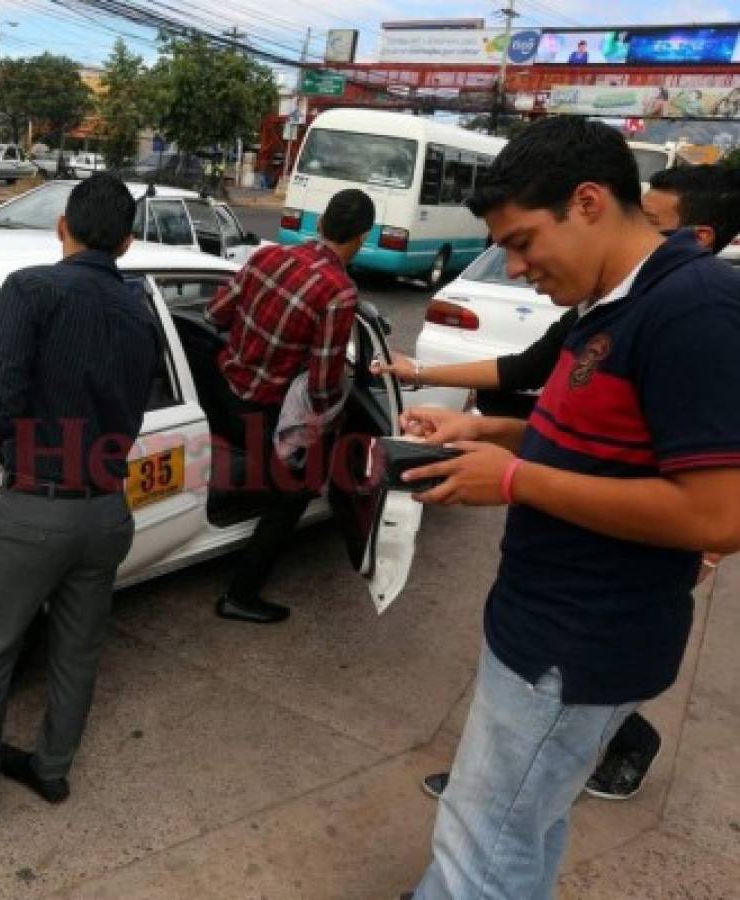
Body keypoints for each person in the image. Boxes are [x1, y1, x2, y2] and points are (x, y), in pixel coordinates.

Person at [399, 117, 740, 898]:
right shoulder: (608, 301)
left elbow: (718, 516)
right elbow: (589, 437)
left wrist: (515, 482)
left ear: (587, 202)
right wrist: (486, 429)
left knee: (477, 844)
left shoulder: (694, 310)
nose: (516, 267)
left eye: (521, 242)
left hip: (576, 643)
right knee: (523, 828)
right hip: (542, 628)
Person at [0, 173, 160, 822]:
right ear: (127, 242)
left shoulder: (31, 289)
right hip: (107, 513)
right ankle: (52, 773)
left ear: (61, 226)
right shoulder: (139, 312)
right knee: (78, 654)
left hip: (33, 514)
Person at [203, 189, 373, 624]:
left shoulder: (267, 257)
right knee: (293, 493)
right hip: (261, 413)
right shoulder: (339, 292)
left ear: (321, 223)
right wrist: (332, 414)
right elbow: (320, 384)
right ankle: (240, 595)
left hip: (220, 394)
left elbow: (215, 313)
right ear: (360, 238)